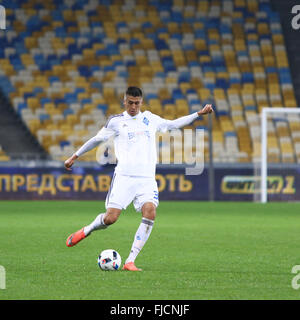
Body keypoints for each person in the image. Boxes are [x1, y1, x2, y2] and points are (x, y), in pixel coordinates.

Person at [64, 86, 213, 271]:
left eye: (136, 103)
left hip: (146, 179)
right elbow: (96, 140)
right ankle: (87, 230)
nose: (133, 106)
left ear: (141, 102)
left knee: (150, 212)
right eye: (130, 103)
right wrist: (74, 156)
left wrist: (198, 114)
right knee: (110, 219)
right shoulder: (116, 122)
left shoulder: (150, 118)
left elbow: (173, 124)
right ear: (124, 101)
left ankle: (130, 261)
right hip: (124, 178)